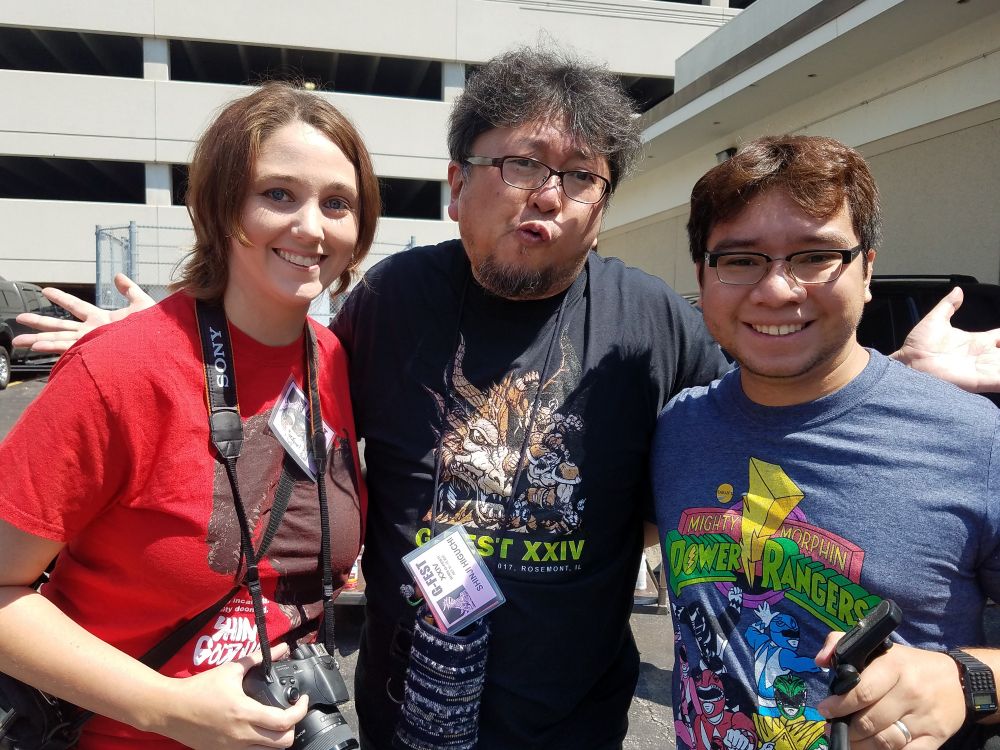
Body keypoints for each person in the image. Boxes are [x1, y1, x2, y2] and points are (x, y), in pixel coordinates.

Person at [14, 50, 1000, 749]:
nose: (546, 193)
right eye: (519, 164)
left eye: (579, 176)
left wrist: (898, 376)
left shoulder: (651, 320)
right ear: (456, 184)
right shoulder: (392, 300)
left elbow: (781, 369)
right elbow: (272, 354)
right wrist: (177, 333)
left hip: (574, 727)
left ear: (602, 207)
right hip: (397, 721)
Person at [0, 81, 379, 750]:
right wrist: (166, 708)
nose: (312, 227)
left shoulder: (335, 362)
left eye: (337, 202)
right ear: (221, 205)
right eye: (278, 194)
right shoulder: (119, 370)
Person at [651, 134, 1000, 750]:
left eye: (815, 256)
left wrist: (967, 680)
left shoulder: (975, 442)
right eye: (741, 259)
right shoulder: (677, 428)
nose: (777, 290)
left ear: (867, 270)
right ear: (702, 277)